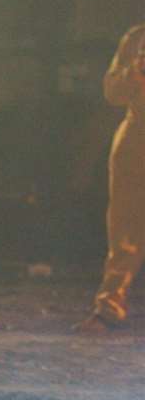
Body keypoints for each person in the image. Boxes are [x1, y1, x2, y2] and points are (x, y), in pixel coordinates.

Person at [77, 22, 145, 332]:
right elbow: (112, 92)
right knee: (125, 230)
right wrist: (134, 70)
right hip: (137, 137)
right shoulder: (137, 38)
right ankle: (109, 306)